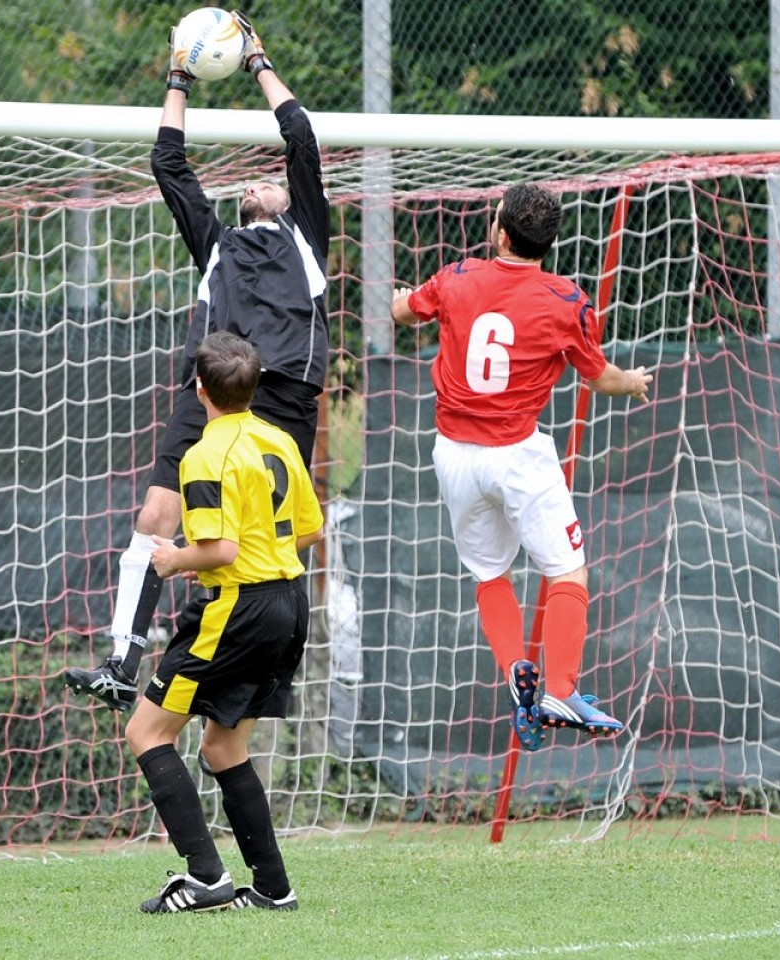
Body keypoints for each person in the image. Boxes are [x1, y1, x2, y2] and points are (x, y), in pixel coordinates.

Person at [64, 10, 330, 712]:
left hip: (283, 398)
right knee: (156, 515)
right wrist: (179, 76)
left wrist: (257, 62)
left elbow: (299, 135)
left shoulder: (306, 234)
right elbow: (168, 163)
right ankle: (123, 659)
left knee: (270, 535)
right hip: (212, 389)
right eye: (248, 187)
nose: (256, 185)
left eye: (267, 183)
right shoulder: (217, 241)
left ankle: (266, 666)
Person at [391, 183, 652, 751]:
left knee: (490, 575)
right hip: (517, 454)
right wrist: (630, 382)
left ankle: (516, 668)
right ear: (546, 243)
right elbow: (599, 376)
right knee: (566, 570)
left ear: (500, 233)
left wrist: (402, 295)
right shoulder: (566, 301)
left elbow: (404, 312)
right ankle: (559, 687)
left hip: (454, 455)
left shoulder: (457, 277)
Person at [125, 331, 323, 913]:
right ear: (254, 387)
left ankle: (205, 877)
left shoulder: (204, 454)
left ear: (199, 389)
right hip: (289, 602)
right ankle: (272, 889)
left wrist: (174, 556)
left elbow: (222, 552)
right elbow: (309, 528)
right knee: (222, 746)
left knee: (146, 732)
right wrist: (220, 552)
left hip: (238, 608)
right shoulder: (279, 439)